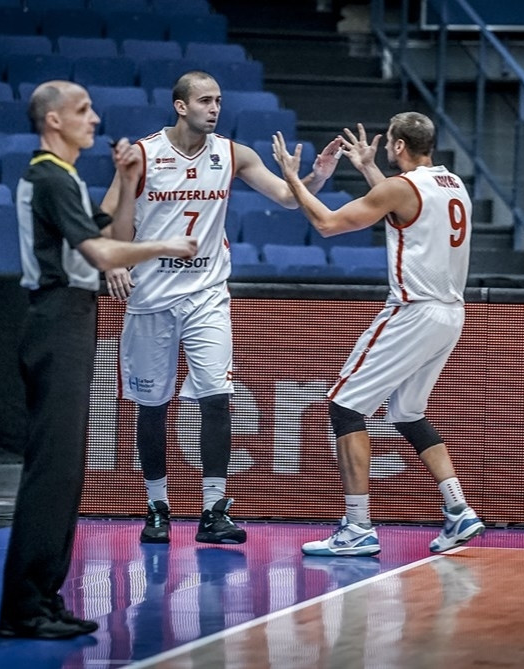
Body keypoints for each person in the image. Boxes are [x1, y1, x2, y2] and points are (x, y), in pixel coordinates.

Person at [101, 70, 342, 546]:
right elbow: (111, 215)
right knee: (152, 405)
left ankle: (214, 508)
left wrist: (313, 177)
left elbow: (286, 199)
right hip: (151, 294)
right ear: (181, 106)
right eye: (206, 101)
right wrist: (114, 262)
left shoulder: (232, 153)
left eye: (219, 101)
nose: (215, 108)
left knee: (216, 395)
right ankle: (157, 506)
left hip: (207, 293)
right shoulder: (146, 155)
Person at [0, 80, 197, 641]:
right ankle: (24, 607)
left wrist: (128, 179)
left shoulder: (65, 180)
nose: (94, 117)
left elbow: (110, 223)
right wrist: (165, 247)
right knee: (51, 470)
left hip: (73, 319)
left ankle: (43, 597)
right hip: (56, 319)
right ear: (54, 120)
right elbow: (105, 252)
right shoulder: (48, 175)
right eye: (83, 110)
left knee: (66, 473)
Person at [272, 112, 486, 557]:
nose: (385, 151)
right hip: (451, 313)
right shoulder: (453, 185)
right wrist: (369, 168)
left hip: (413, 310)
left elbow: (329, 224)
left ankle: (358, 526)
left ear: (400, 147)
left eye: (388, 145)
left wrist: (293, 180)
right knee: (407, 412)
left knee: (345, 406)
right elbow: (404, 204)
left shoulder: (399, 188)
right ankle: (459, 509)